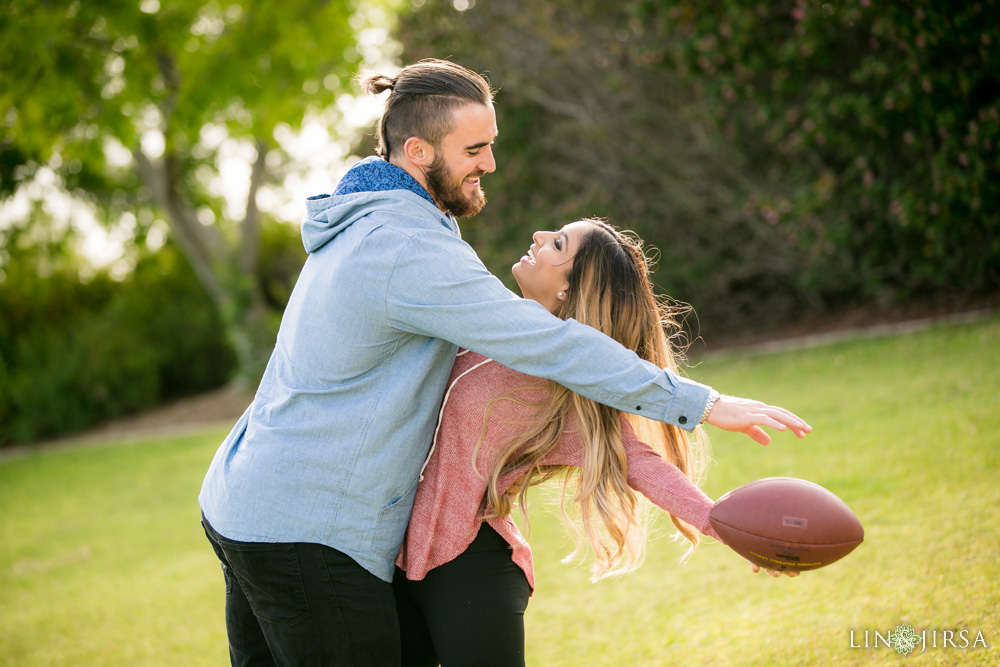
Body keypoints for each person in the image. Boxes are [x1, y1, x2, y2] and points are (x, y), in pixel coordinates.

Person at [199, 59, 811, 666]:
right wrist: (703, 403)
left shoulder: (373, 222)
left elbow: (630, 454)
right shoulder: (409, 247)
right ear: (417, 152)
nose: (490, 163)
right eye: (476, 148)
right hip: (305, 529)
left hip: (249, 503)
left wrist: (722, 524)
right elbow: (550, 343)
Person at [392, 220, 798, 666]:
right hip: (384, 552)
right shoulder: (480, 313)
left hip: (471, 568)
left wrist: (723, 525)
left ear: (570, 288)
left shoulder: (566, 395)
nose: (538, 237)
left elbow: (638, 461)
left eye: (558, 243)